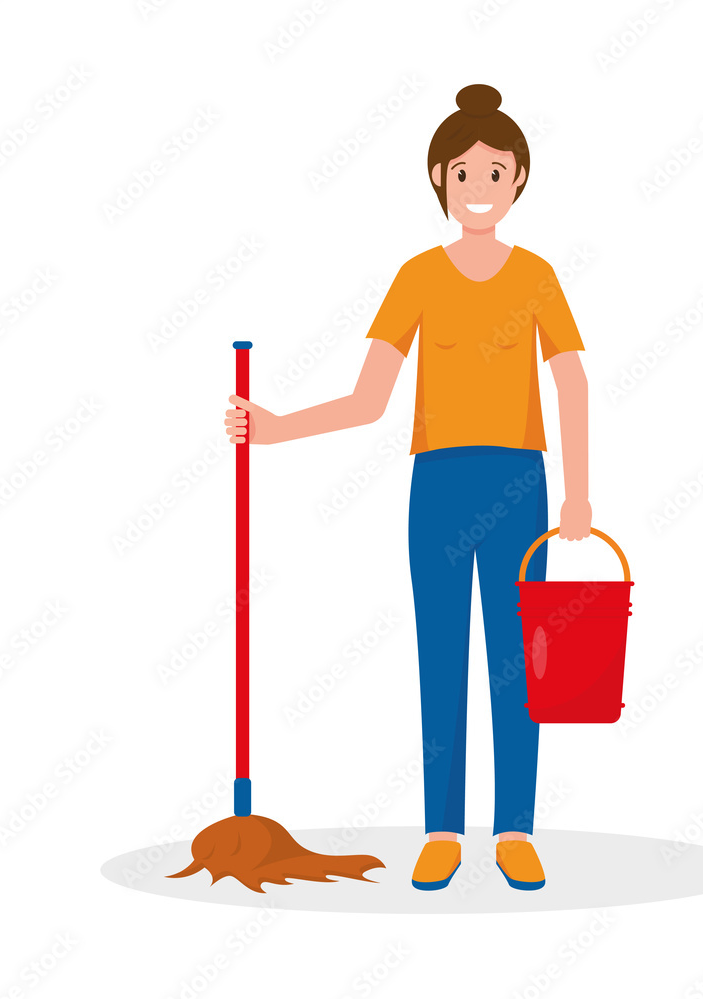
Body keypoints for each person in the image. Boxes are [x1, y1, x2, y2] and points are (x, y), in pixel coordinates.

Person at [224, 84, 591, 892]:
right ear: (440, 179)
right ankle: (443, 828)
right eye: (466, 175)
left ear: (520, 178)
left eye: (497, 173)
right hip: (441, 484)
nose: (482, 190)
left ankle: (517, 828)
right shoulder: (418, 276)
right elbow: (368, 399)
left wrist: (578, 492)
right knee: (442, 657)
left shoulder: (537, 277)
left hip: (521, 480)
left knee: (514, 660)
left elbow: (569, 379)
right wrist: (275, 426)